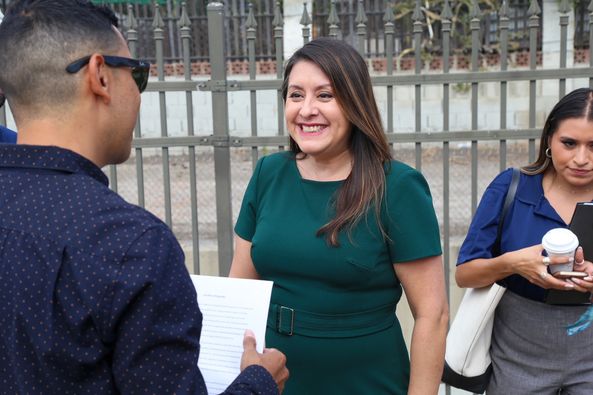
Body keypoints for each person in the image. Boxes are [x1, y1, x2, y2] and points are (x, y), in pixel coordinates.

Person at [0, 1, 288, 393]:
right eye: (136, 74)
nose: (138, 92)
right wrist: (259, 382)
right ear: (100, 75)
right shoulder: (130, 246)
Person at [230, 37, 448, 395]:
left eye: (325, 96)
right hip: (273, 382)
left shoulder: (399, 187)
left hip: (367, 382)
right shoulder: (268, 174)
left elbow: (433, 315)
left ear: (354, 103)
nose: (307, 109)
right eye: (296, 95)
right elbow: (242, 293)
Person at [456, 87, 593, 394]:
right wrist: (513, 264)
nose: (581, 159)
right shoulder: (512, 188)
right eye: (569, 143)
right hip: (517, 359)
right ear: (549, 140)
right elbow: (465, 274)